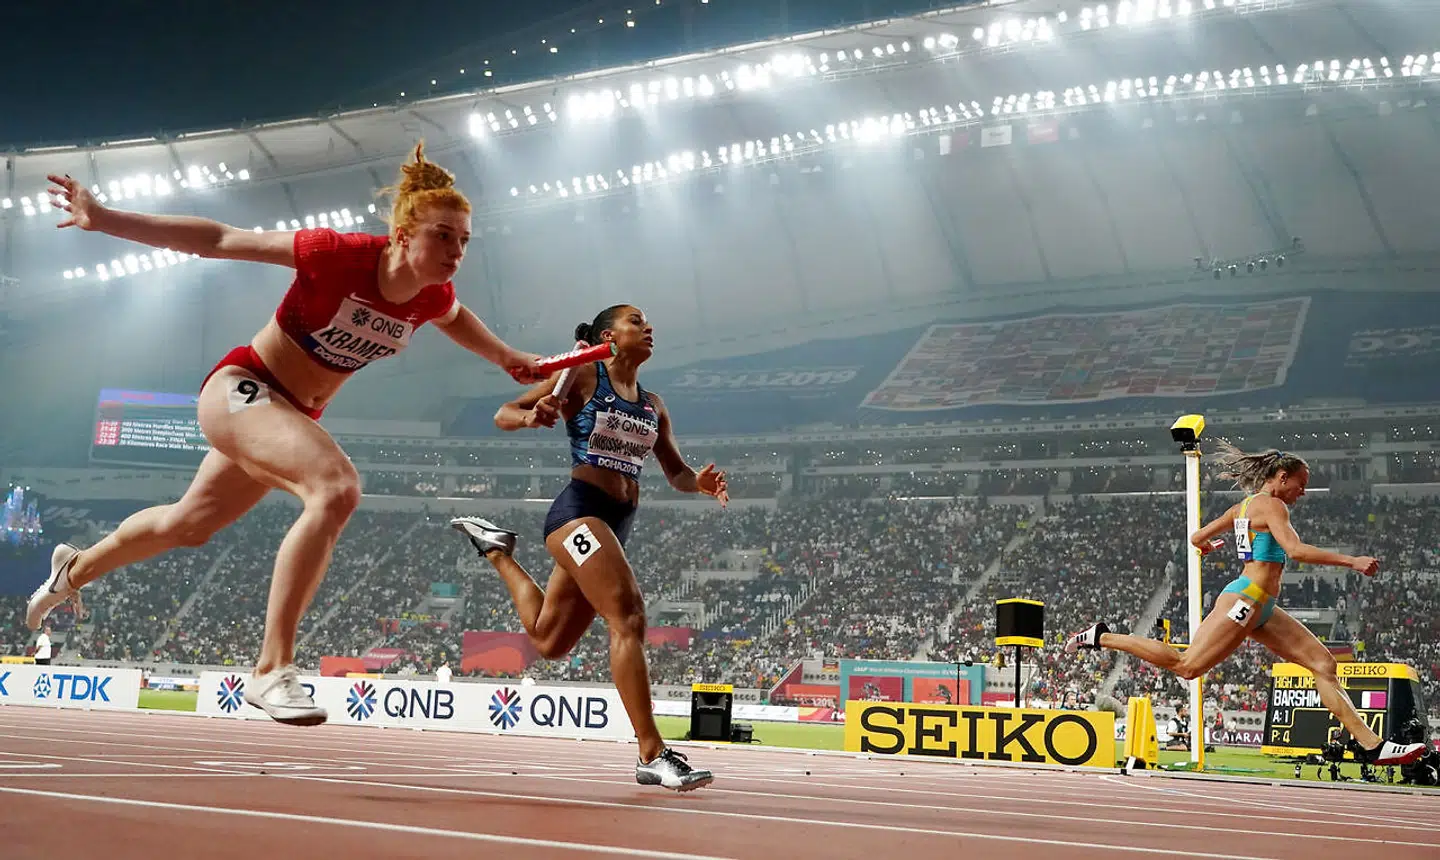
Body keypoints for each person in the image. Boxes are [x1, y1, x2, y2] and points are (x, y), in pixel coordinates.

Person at [26, 143, 542, 727]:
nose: (457, 252)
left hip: (290, 415)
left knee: (187, 525)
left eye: (465, 240)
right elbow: (220, 239)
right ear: (402, 235)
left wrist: (507, 358)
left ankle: (72, 570)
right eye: (443, 236)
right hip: (243, 388)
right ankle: (271, 669)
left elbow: (455, 318)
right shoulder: (334, 254)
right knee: (336, 488)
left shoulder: (432, 295)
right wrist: (105, 218)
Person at [451, 304, 727, 792]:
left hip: (616, 524)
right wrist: (531, 416)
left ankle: (497, 550)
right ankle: (652, 753)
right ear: (607, 337)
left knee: (550, 641)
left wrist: (698, 482)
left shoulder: (653, 405)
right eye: (636, 320)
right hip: (578, 514)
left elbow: (676, 473)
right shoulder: (582, 376)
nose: (648, 327)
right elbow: (503, 413)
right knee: (628, 614)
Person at [1064, 442, 1427, 766]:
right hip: (1246, 600)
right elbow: (1296, 551)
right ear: (1281, 477)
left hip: (1260, 605)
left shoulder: (1243, 507)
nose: (1303, 492)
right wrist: (1352, 561)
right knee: (1187, 666)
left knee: (1323, 664)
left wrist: (1206, 546)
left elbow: (1197, 536)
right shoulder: (1272, 506)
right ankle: (1102, 637)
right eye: (1300, 484)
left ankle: (1372, 745)